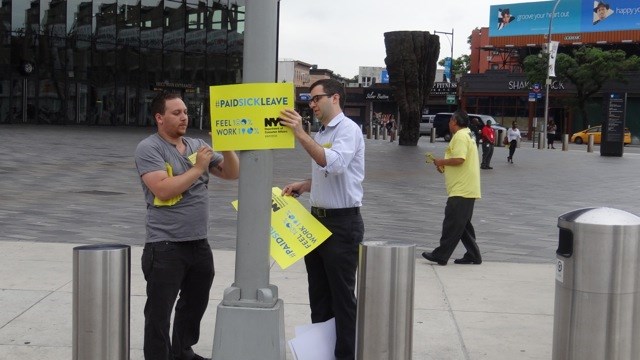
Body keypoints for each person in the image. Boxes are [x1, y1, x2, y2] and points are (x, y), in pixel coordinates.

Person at [134, 92, 240, 360]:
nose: (184, 117)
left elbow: (231, 172)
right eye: (176, 112)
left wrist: (225, 145)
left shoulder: (196, 145)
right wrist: (197, 169)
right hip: (165, 245)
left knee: (194, 304)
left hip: (199, 242)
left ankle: (182, 352)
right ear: (160, 118)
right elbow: (162, 188)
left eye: (185, 111)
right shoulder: (150, 148)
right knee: (159, 312)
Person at [279, 79, 365, 360]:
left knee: (341, 298)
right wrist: (305, 185)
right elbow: (326, 173)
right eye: (310, 100)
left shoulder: (348, 130)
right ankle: (321, 353)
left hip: (342, 224)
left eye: (316, 98)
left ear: (335, 98)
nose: (312, 104)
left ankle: (344, 355)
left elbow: (336, 164)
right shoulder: (322, 132)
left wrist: (299, 134)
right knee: (319, 294)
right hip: (317, 221)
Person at [422, 110, 482, 266]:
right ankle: (473, 254)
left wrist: (442, 162)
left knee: (452, 222)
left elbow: (460, 159)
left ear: (454, 122)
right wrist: (444, 166)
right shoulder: (469, 134)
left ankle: (441, 255)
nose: (449, 124)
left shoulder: (461, 136)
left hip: (461, 188)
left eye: (450, 121)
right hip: (467, 187)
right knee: (462, 224)